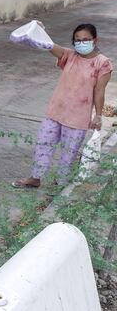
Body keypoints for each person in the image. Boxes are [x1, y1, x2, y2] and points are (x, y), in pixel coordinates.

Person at [13, 23, 113, 188]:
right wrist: (38, 30)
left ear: (95, 40)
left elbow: (99, 91)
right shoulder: (69, 55)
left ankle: (61, 184)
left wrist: (98, 115)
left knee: (69, 153)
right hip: (55, 112)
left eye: (86, 39)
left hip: (77, 118)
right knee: (43, 145)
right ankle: (35, 178)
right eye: (77, 40)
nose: (81, 43)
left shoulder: (102, 63)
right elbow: (49, 45)